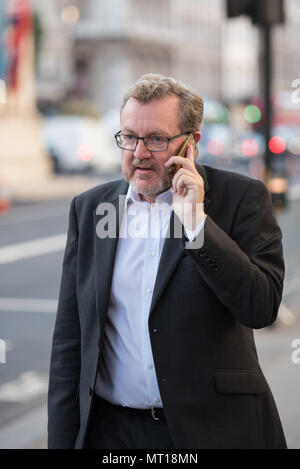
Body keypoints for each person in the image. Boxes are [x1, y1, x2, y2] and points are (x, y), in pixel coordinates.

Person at [48, 73, 287, 449]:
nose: (139, 153)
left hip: (213, 430)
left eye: (157, 139)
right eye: (129, 137)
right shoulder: (91, 209)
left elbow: (262, 308)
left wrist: (196, 223)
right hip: (111, 432)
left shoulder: (241, 198)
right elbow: (69, 342)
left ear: (192, 144)